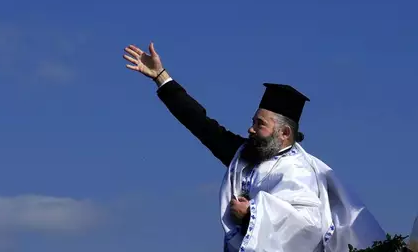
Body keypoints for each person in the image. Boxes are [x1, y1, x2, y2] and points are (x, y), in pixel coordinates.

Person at [123, 42, 386, 252]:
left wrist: (252, 213)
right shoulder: (247, 156)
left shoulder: (300, 171)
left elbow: (309, 226)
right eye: (253, 121)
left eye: (259, 124)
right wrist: (161, 77)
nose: (250, 129)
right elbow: (202, 125)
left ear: (284, 133)